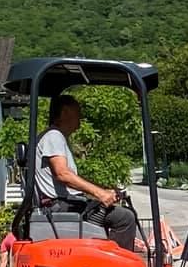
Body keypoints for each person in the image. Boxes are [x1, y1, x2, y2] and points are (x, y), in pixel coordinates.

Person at [34, 94, 139, 250]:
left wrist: (104, 189)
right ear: (64, 113)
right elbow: (62, 174)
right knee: (125, 218)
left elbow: (71, 178)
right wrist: (100, 194)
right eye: (78, 114)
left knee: (115, 214)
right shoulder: (53, 136)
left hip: (63, 203)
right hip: (60, 206)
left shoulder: (54, 137)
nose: (80, 121)